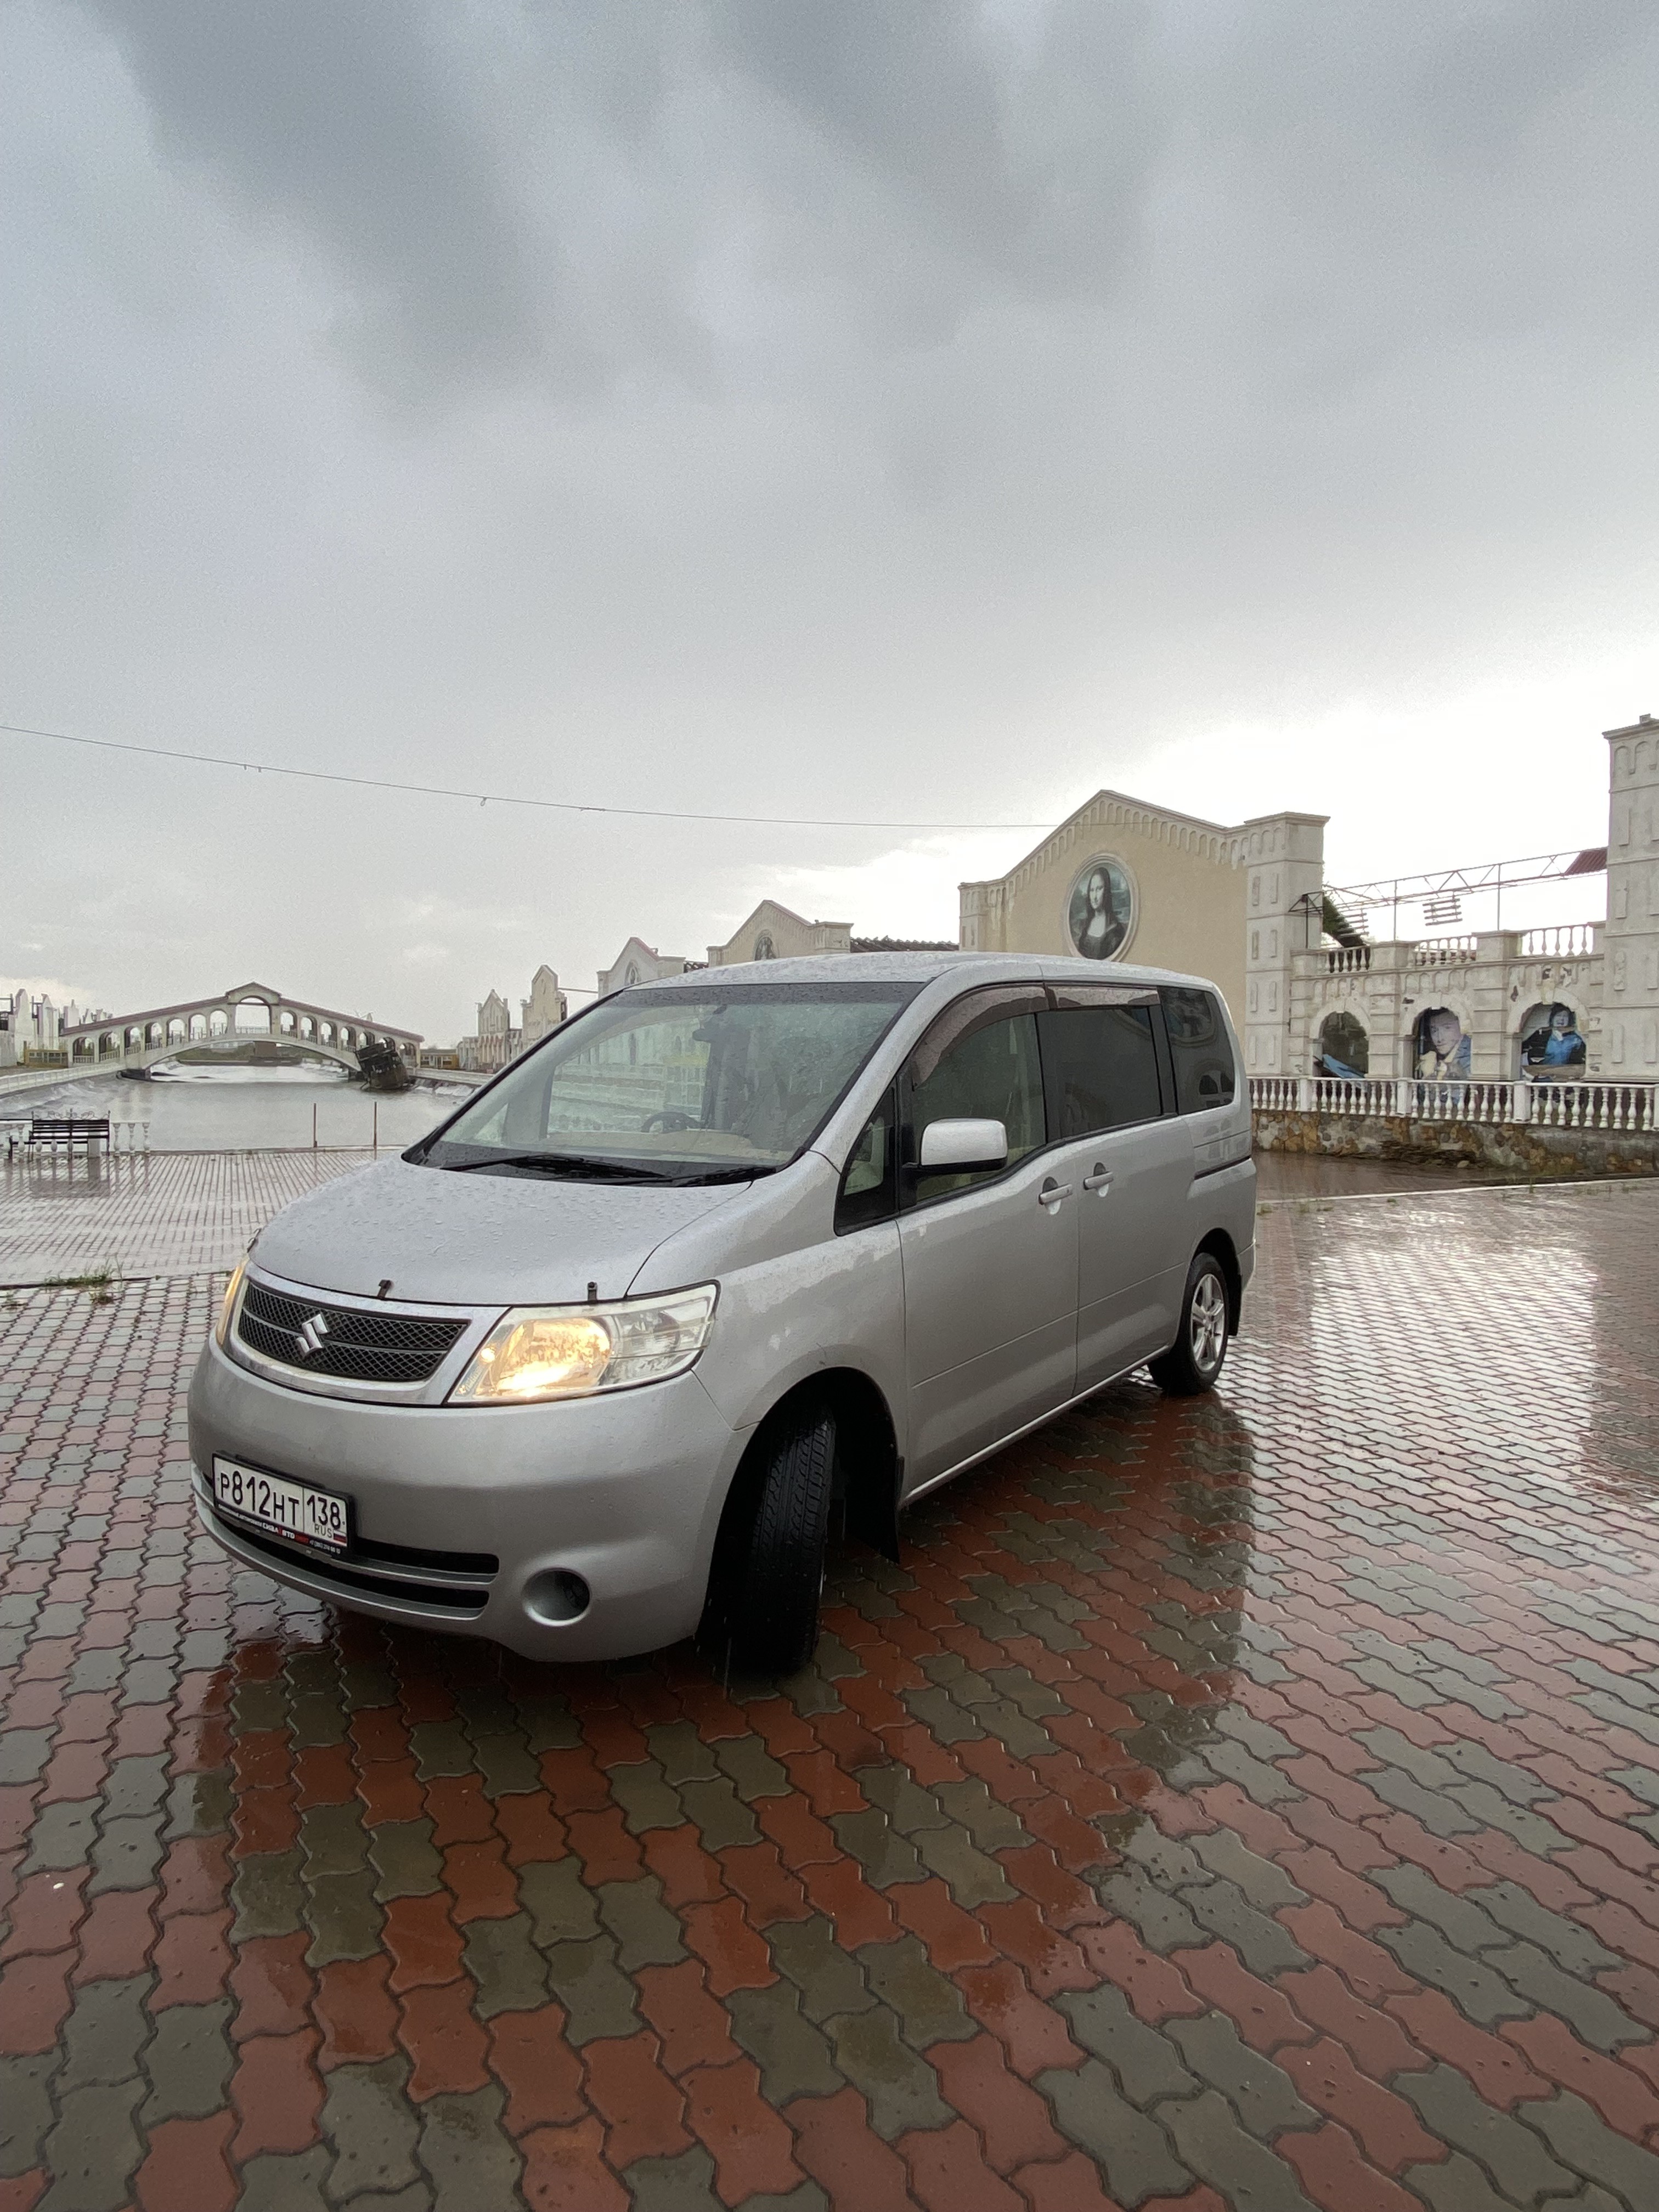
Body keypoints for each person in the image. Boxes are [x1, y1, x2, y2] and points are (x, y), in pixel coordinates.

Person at [1073, 867, 1127, 960]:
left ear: (1106, 891)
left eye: (1099, 889)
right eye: (1092, 890)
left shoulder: (1115, 931)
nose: (1094, 897)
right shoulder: (1084, 925)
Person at [1522, 1004, 1586, 1075]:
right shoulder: (1541, 1034)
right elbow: (1523, 1050)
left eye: (1565, 1016)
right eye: (1558, 1015)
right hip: (1542, 1075)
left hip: (1567, 1076)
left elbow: (1582, 1059)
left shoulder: (1576, 1039)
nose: (1561, 1019)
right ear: (1552, 1018)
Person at [1415, 1008, 1470, 1080]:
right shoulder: (1434, 1058)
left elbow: (1456, 1090)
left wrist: (1429, 1076)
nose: (1440, 1039)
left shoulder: (1470, 1056)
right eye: (1434, 1031)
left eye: (1447, 1028)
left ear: (1462, 1028)